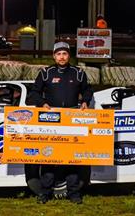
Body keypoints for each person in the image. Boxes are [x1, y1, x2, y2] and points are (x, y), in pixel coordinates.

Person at [29, 41, 93, 204]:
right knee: (49, 157)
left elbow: (87, 90)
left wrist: (85, 100)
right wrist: (42, 103)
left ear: (68, 56)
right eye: (58, 54)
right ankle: (45, 192)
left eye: (64, 54)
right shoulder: (45, 72)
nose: (62, 57)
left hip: (71, 120)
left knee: (71, 158)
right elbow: (34, 93)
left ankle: (74, 193)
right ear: (54, 56)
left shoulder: (78, 73)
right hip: (51, 120)